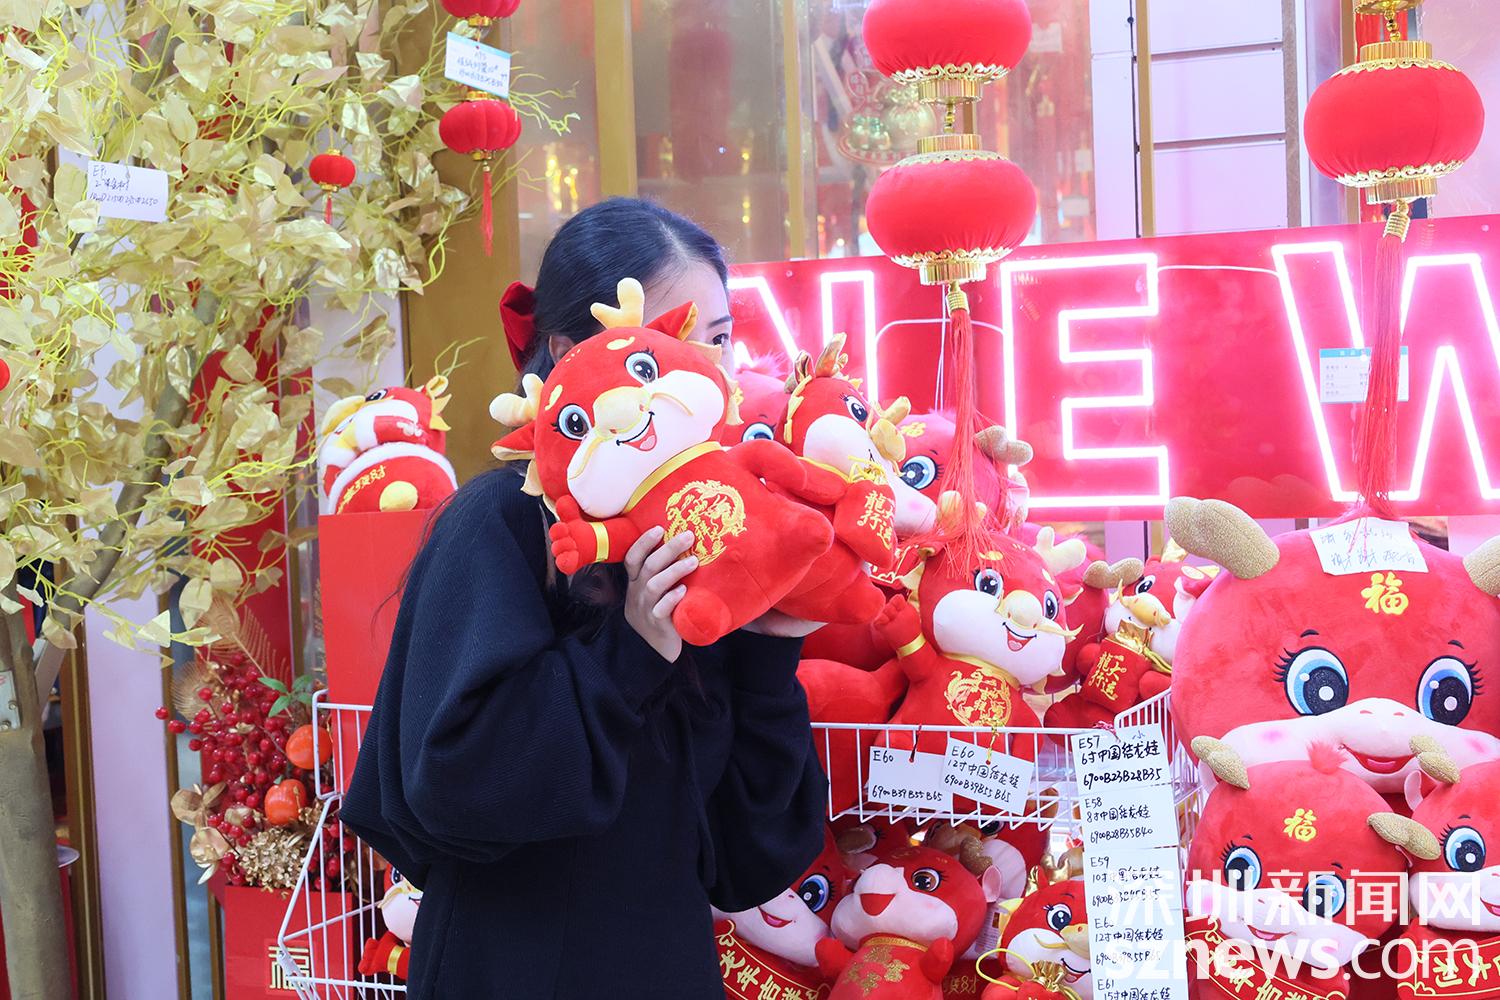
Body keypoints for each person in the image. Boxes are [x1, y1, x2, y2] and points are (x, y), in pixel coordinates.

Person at [342, 197, 829, 999]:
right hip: (511, 972)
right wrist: (631, 649)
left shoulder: (707, 532)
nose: (708, 371)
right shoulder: (498, 522)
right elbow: (457, 789)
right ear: (571, 354)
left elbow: (749, 859)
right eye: (674, 341)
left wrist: (770, 653)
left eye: (719, 340)